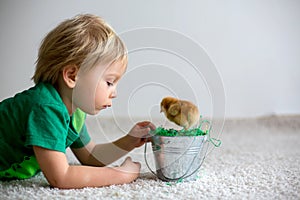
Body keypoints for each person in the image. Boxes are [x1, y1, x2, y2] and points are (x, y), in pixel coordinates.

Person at [0, 14, 156, 189]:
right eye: (110, 82)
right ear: (72, 76)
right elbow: (62, 177)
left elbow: (90, 156)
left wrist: (128, 141)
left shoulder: (74, 110)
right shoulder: (46, 107)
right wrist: (121, 174)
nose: (115, 93)